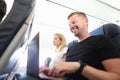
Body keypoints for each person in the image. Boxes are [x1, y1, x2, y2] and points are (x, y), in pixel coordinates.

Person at [42, 12, 120, 80]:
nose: (71, 26)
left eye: (74, 22)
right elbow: (67, 78)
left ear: (86, 21)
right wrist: (48, 76)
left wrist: (80, 67)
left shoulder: (101, 40)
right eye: (69, 25)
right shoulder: (71, 47)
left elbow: (117, 77)